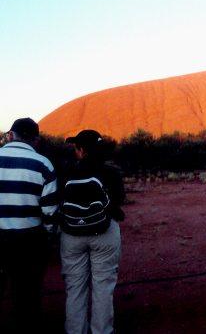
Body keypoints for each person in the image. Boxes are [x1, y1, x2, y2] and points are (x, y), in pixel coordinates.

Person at [60, 130, 125, 334]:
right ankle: (102, 331)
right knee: (103, 286)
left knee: (75, 288)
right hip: (104, 232)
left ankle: (75, 331)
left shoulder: (66, 172)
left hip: (71, 235)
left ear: (81, 151)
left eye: (76, 148)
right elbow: (119, 200)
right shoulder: (111, 172)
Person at [0, 117, 59, 334]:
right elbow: (50, 210)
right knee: (26, 298)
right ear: (35, 141)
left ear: (10, 136)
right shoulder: (43, 164)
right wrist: (50, 233)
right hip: (28, 242)